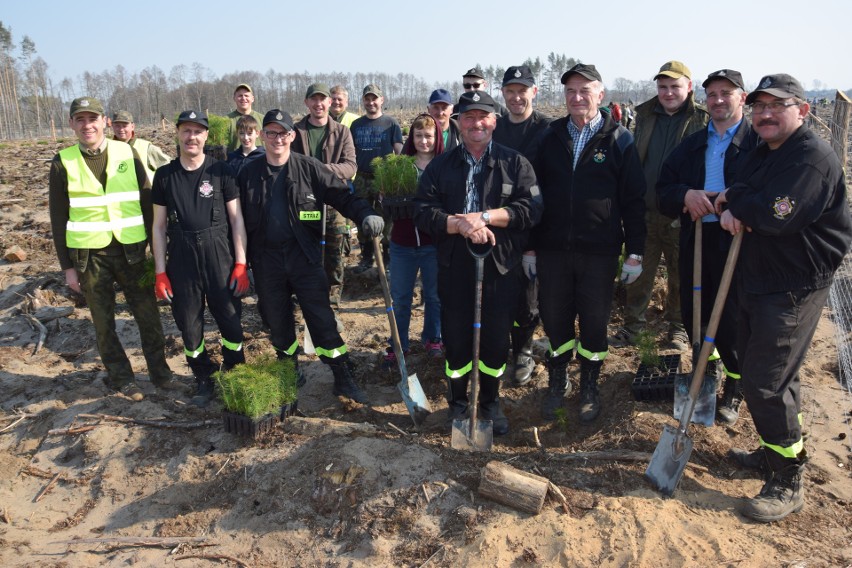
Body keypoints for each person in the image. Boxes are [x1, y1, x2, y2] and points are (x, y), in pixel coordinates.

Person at [715, 73, 851, 522]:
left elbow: (776, 216)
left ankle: (788, 479)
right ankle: (777, 450)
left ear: (803, 110)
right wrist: (739, 201)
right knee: (777, 376)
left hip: (793, 286)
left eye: (777, 106)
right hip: (759, 277)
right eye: (759, 107)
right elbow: (737, 186)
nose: (766, 115)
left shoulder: (811, 159)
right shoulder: (764, 149)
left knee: (765, 381)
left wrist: (741, 206)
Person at [414, 91, 542, 436]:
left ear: (494, 122)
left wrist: (485, 217)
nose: (476, 124)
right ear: (458, 123)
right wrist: (459, 224)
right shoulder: (441, 166)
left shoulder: (515, 164)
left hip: (500, 267)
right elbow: (423, 211)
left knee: (496, 341)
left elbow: (532, 209)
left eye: (483, 116)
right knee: (456, 339)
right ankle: (457, 403)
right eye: (468, 117)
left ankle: (488, 403)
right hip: (454, 265)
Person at [238, 109, 384, 405]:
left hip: (304, 258)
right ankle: (289, 371)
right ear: (263, 136)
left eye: (284, 133)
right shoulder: (247, 175)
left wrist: (365, 214)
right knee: (277, 323)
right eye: (272, 133)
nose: (278, 139)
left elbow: (343, 196)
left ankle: (343, 376)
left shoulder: (310, 168)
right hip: (267, 263)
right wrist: (240, 264)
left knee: (322, 321)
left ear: (292, 136)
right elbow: (232, 220)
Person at [531, 64, 646, 422]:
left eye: (585, 90)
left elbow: (634, 199)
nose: (577, 98)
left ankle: (590, 385)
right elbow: (533, 196)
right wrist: (530, 246)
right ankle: (558, 378)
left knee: (595, 321)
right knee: (554, 316)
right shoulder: (549, 137)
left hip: (599, 250)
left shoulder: (619, 139)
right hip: (553, 249)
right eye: (570, 92)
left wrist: (635, 252)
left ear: (600, 93)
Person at [48, 96, 173, 401]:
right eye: (80, 120)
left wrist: (157, 255)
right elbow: (58, 218)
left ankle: (161, 375)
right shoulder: (62, 162)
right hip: (90, 257)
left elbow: (147, 204)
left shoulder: (127, 153)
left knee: (148, 318)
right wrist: (67, 268)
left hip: (132, 252)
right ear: (71, 124)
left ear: (104, 122)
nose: (87, 125)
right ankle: (122, 378)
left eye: (93, 119)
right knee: (104, 324)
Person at [657, 69, 759, 425]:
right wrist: (686, 194)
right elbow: (664, 188)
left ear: (742, 98)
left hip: (739, 242)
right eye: (712, 94)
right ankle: (706, 371)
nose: (717, 100)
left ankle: (736, 383)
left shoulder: (757, 143)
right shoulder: (694, 144)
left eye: (725, 93)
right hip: (698, 235)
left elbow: (768, 190)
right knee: (694, 310)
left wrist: (739, 206)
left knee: (732, 316)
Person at [151, 110, 249, 407]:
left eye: (197, 131)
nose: (191, 137)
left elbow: (237, 221)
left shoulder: (222, 172)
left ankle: (234, 370)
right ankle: (203, 377)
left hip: (219, 255)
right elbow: (158, 226)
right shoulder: (165, 176)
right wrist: (160, 272)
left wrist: (242, 264)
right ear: (178, 134)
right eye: (186, 131)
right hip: (182, 259)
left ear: (206, 136)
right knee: (190, 327)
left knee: (231, 322)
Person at [614, 61, 708, 349]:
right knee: (639, 271)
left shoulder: (701, 119)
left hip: (683, 212)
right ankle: (633, 328)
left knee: (682, 273)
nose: (668, 92)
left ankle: (678, 328)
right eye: (663, 86)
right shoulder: (645, 115)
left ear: (689, 87)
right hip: (645, 210)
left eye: (675, 86)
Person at [492, 64, 552, 386]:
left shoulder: (547, 130)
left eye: (522, 91)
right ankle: (498, 348)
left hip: (534, 223)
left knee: (529, 295)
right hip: (499, 224)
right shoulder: (496, 128)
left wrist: (536, 239)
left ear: (534, 92)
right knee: (501, 291)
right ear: (503, 93)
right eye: (510, 91)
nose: (516, 97)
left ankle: (524, 350)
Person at [383, 113, 445, 368]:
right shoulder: (400, 167)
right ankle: (398, 344)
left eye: (428, 136)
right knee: (401, 298)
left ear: (436, 137)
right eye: (418, 136)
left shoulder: (444, 166)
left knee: (434, 295)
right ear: (412, 138)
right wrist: (386, 199)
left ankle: (433, 339)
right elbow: (385, 197)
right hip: (403, 243)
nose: (423, 141)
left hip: (434, 244)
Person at [292, 83, 357, 307]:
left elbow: (350, 166)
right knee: (305, 251)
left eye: (323, 99)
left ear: (330, 102)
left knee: (335, 255)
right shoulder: (296, 132)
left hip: (334, 204)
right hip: (306, 206)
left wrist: (322, 171)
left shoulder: (342, 132)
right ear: (307, 102)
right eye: (314, 99)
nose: (318, 104)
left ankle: (332, 304)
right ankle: (307, 299)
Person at [350, 84, 403, 271]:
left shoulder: (391, 124)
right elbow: (350, 152)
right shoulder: (356, 125)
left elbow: (399, 152)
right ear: (363, 100)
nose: (371, 102)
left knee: (387, 218)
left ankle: (388, 259)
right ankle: (366, 257)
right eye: (367, 98)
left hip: (384, 179)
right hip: (362, 178)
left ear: (382, 100)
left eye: (374, 98)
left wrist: (397, 178)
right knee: (361, 216)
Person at [110, 110, 171, 185]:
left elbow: (169, 169)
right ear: (112, 126)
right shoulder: (108, 149)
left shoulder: (146, 148)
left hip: (145, 196)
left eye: (125, 126)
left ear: (132, 126)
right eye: (117, 126)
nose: (121, 129)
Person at [226, 83, 265, 152]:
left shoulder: (263, 119)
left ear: (252, 99)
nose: (243, 98)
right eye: (240, 96)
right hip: (235, 161)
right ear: (234, 98)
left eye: (246, 95)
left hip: (260, 160)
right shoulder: (226, 120)